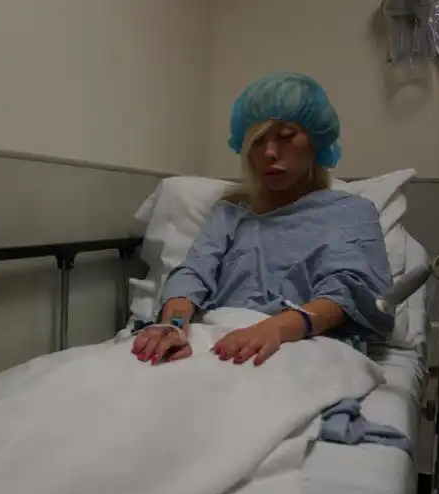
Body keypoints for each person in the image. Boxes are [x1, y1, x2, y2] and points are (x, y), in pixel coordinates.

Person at [131, 72, 394, 367]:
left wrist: (275, 328)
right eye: (257, 142)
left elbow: (350, 293)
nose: (269, 152)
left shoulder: (350, 212)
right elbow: (194, 272)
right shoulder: (231, 213)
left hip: (301, 341)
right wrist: (175, 326)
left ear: (316, 142)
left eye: (286, 136)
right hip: (217, 335)